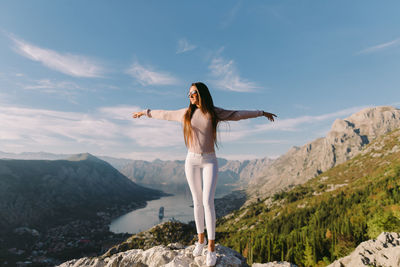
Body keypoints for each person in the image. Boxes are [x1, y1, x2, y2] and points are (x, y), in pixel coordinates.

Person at [132, 82, 276, 266]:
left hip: (209, 161)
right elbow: (165, 114)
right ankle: (200, 241)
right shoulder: (186, 113)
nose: (190, 96)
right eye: (189, 93)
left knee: (208, 202)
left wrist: (261, 113)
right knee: (197, 201)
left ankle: (211, 248)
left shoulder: (213, 112)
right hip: (191, 160)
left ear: (202, 94)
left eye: (193, 93)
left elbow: (237, 115)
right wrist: (145, 112)